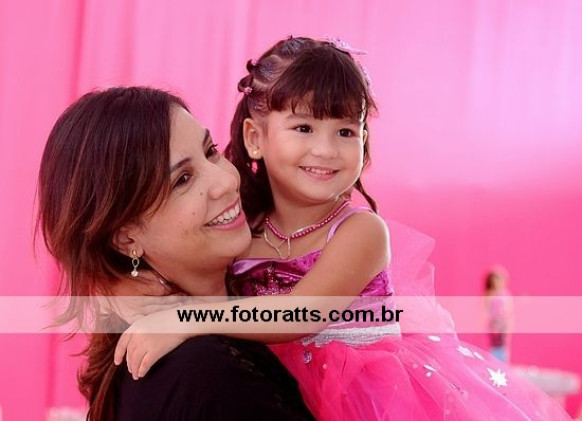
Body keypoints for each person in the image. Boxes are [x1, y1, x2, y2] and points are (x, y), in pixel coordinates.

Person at [115, 37, 570, 420]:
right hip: (277, 389)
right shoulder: (241, 232)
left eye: (346, 132)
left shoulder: (360, 233)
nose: (327, 150)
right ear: (255, 138)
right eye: (304, 127)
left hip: (370, 398)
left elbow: (300, 314)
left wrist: (186, 319)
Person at [37, 86, 315, 420]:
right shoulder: (204, 373)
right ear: (126, 238)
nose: (227, 181)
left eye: (210, 151)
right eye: (182, 180)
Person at [484, 265, 514, 362]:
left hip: (502, 322)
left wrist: (507, 324)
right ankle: (494, 361)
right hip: (493, 322)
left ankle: (502, 362)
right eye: (494, 280)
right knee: (495, 343)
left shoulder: (506, 294)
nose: (497, 283)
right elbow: (487, 309)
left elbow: (509, 311)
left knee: (502, 343)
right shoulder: (490, 294)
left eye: (499, 280)